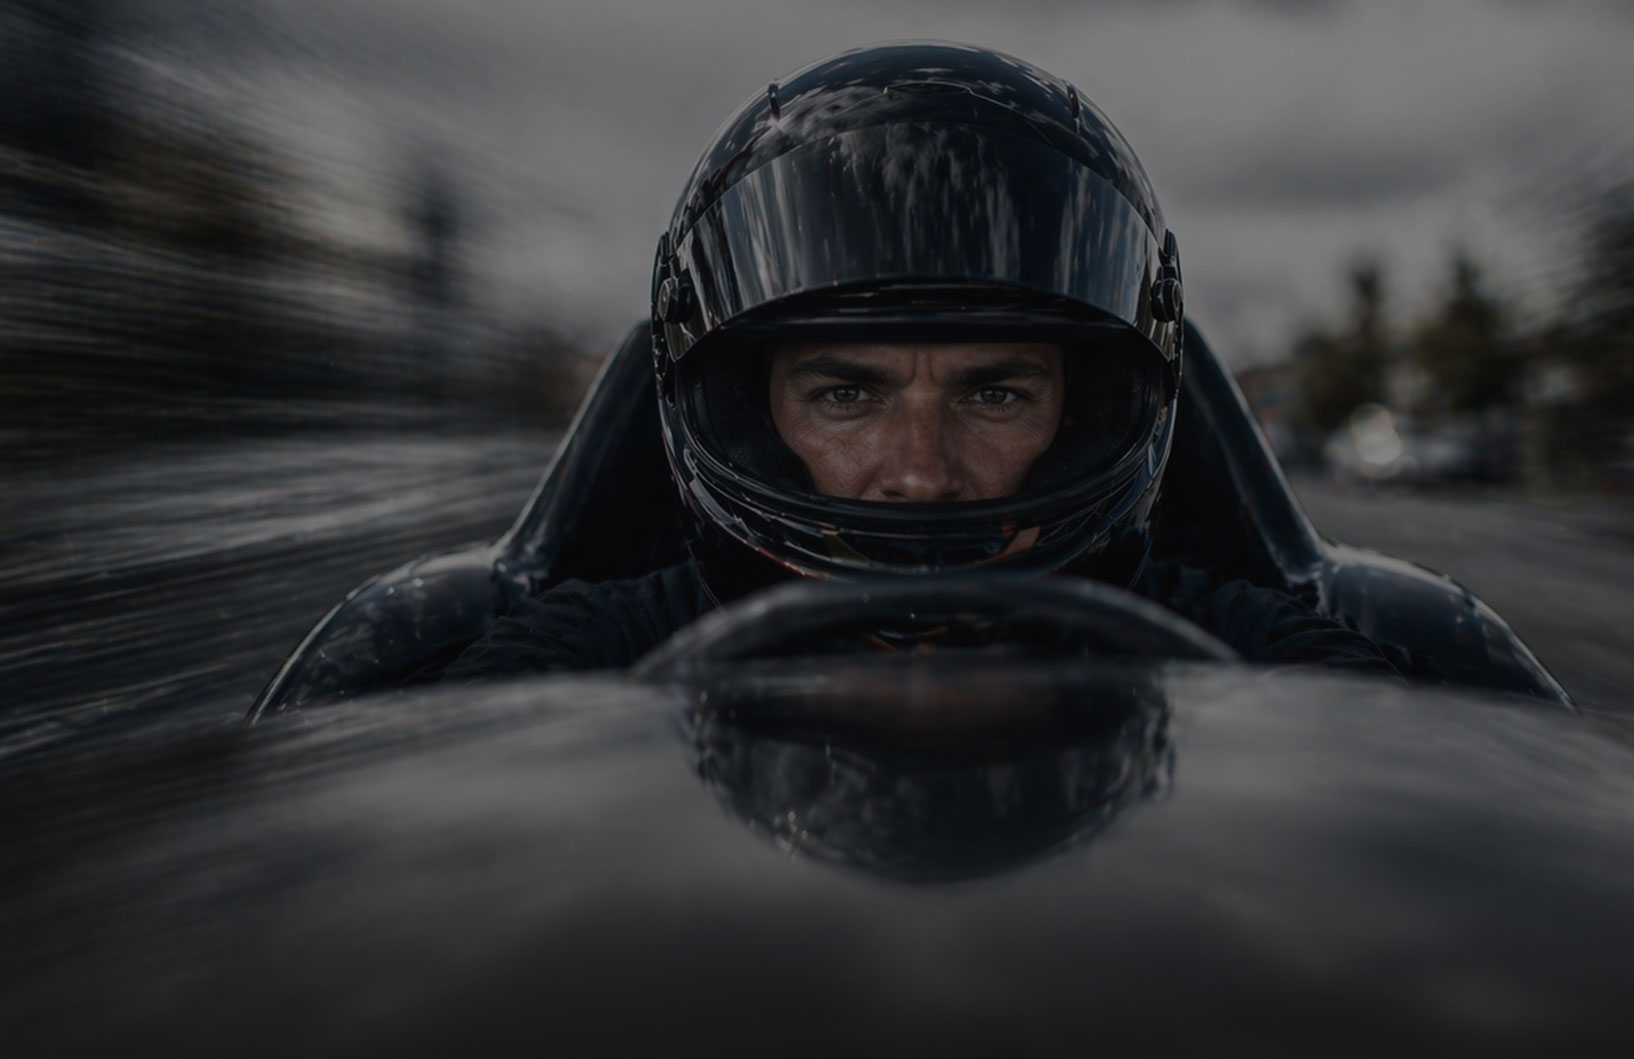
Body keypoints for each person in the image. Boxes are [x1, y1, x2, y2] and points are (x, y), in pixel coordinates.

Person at [444, 43, 1398, 681]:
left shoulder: (1255, 648)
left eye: (994, 392)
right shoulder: (588, 650)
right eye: (848, 392)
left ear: (1085, 413)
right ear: (747, 409)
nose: (921, 473)